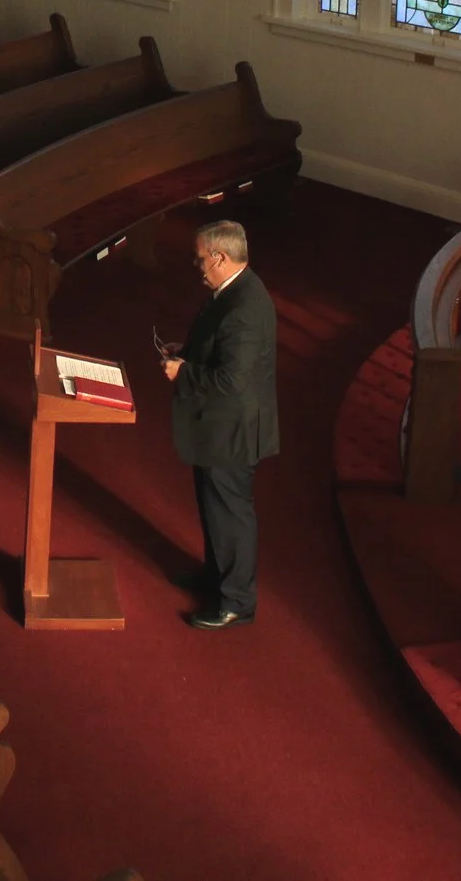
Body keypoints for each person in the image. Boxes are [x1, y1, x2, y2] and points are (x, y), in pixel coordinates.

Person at [160, 220, 279, 629]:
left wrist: (184, 373)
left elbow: (232, 381)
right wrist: (188, 353)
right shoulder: (234, 290)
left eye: (200, 259)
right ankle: (217, 578)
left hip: (232, 431)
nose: (197, 267)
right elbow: (221, 349)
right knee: (215, 509)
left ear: (220, 257)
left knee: (230, 514)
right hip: (219, 425)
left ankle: (236, 602)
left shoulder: (245, 307)